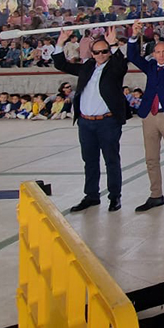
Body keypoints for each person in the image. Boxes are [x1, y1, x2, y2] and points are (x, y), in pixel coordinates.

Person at [52, 26, 127, 211]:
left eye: (104, 51)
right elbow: (62, 64)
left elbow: (122, 65)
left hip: (107, 122)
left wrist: (114, 44)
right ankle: (91, 195)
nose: (101, 55)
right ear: (91, 53)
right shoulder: (87, 67)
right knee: (90, 161)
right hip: (86, 123)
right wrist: (61, 42)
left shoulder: (114, 68)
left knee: (111, 160)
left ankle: (114, 197)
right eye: (97, 52)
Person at [127, 21, 164, 213]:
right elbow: (132, 55)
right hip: (150, 116)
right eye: (157, 52)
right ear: (153, 54)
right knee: (151, 158)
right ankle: (156, 195)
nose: (161, 55)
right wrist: (134, 35)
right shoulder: (151, 67)